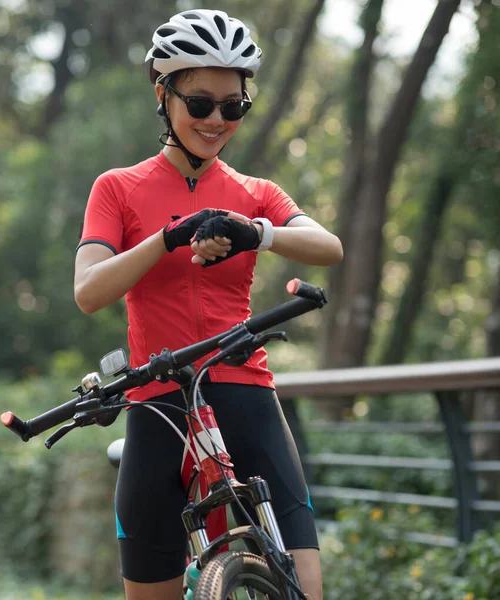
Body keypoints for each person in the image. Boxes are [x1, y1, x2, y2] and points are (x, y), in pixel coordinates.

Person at [74, 9, 342, 600]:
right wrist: (167, 237)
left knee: (309, 589)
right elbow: (89, 291)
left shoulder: (255, 193)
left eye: (233, 106)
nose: (216, 120)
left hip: (246, 388)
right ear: (162, 91)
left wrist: (257, 232)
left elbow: (329, 247)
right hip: (158, 401)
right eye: (200, 104)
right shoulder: (117, 188)